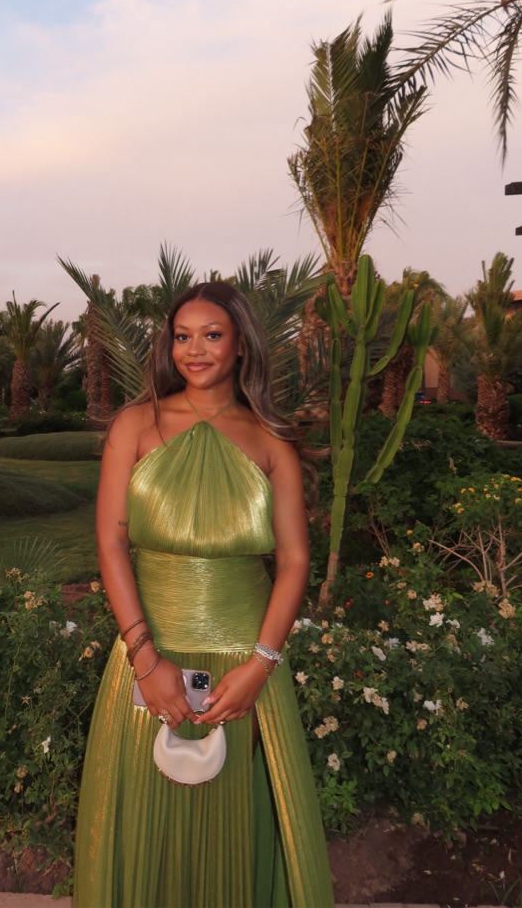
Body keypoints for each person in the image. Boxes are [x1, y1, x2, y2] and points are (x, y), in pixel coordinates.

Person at [73, 281, 335, 907]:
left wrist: (260, 666)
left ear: (241, 344)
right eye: (182, 336)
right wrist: (145, 658)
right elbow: (111, 543)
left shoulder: (271, 440)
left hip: (244, 665)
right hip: (148, 656)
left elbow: (295, 560)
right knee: (143, 822)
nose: (194, 350)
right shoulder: (135, 425)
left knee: (233, 828)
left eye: (212, 335)